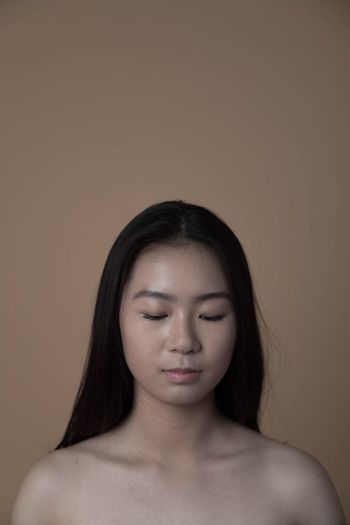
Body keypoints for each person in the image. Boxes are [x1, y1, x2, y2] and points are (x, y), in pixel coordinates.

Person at [10, 200, 346, 524]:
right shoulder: (52, 489)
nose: (184, 341)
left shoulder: (297, 487)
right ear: (115, 321)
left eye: (210, 316)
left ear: (239, 323)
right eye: (155, 315)